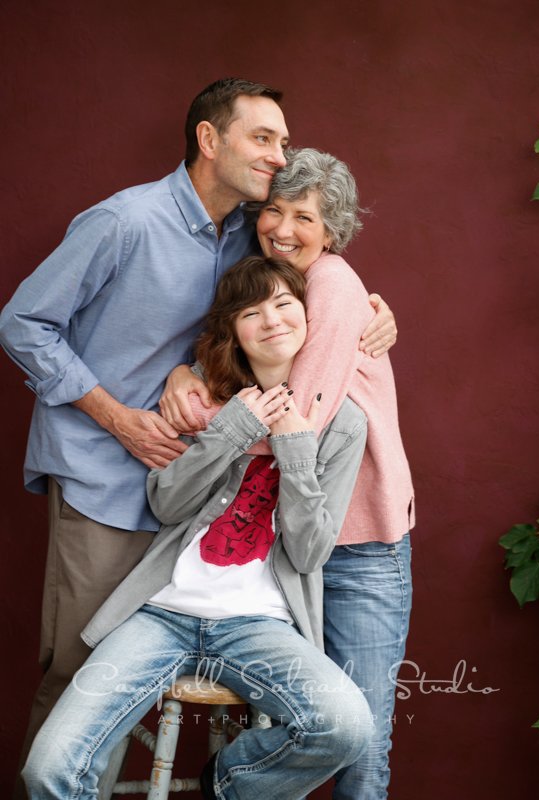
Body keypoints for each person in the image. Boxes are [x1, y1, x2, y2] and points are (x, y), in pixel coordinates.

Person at [0, 77, 394, 794]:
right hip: (106, 476)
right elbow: (23, 323)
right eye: (263, 139)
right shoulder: (125, 222)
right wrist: (116, 414)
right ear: (210, 141)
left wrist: (373, 308)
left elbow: (292, 290)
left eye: (282, 141)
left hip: (197, 489)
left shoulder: (249, 230)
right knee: (77, 676)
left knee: (319, 713)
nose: (278, 156)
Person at [22, 255, 374, 800]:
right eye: (252, 313)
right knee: (48, 767)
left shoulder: (344, 423)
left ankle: (226, 784)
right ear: (234, 330)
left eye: (285, 304)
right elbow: (166, 502)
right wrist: (232, 428)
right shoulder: (205, 398)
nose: (273, 320)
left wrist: (296, 448)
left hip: (261, 625)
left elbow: (308, 554)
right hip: (161, 614)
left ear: (308, 317)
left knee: (347, 725)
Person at [160, 148, 415, 800]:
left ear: (330, 232)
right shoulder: (276, 285)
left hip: (357, 546)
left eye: (304, 215)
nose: (283, 226)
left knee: (360, 734)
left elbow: (302, 416)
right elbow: (228, 356)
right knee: (311, 715)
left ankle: (230, 779)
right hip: (290, 540)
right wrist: (184, 372)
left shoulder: (330, 281)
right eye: (273, 208)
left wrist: (212, 429)